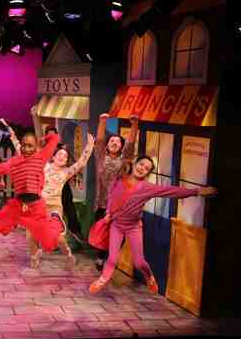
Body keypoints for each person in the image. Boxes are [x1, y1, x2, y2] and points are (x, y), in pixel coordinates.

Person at [89, 155, 218, 294]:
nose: (142, 168)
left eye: (146, 168)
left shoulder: (146, 187)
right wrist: (109, 211)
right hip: (116, 225)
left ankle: (149, 277)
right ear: (135, 163)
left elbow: (171, 191)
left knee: (139, 262)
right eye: (141, 164)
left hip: (133, 227)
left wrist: (197, 192)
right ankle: (102, 280)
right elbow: (112, 195)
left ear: (148, 173)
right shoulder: (120, 178)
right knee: (112, 258)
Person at [0, 127, 64, 255]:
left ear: (36, 147)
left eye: (30, 146)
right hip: (18, 205)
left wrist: (44, 138)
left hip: (36, 206)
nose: (26, 149)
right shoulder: (15, 161)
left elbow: (55, 138)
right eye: (24, 145)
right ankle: (11, 224)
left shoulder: (41, 157)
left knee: (49, 244)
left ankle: (55, 220)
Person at [38, 134, 95, 270]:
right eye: (60, 154)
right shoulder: (44, 166)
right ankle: (36, 253)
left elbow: (81, 162)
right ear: (53, 157)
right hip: (40, 204)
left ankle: (68, 255)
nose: (62, 157)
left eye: (65, 156)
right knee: (35, 231)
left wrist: (89, 146)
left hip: (55, 206)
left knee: (58, 234)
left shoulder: (67, 172)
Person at [93, 113, 139, 271]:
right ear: (107, 145)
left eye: (118, 141)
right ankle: (101, 257)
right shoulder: (100, 156)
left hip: (120, 206)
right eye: (111, 141)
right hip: (102, 204)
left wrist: (134, 125)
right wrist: (102, 122)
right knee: (102, 234)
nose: (114, 143)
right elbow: (99, 140)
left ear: (121, 146)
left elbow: (131, 144)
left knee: (119, 236)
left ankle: (111, 259)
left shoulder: (124, 159)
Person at [42, 127, 84, 245]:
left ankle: (75, 233)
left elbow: (75, 164)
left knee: (69, 209)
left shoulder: (63, 149)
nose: (51, 137)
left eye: (53, 135)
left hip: (62, 184)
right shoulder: (44, 149)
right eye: (49, 135)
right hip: (47, 187)